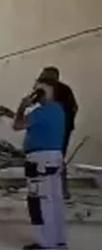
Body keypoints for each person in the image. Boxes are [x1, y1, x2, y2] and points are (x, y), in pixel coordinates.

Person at [0, 78, 66, 250]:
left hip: (39, 160)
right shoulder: (58, 110)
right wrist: (14, 113)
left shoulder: (42, 111)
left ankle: (45, 242)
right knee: (53, 199)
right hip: (54, 157)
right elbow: (27, 122)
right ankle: (57, 239)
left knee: (39, 201)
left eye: (37, 90)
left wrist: (22, 106)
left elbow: (18, 125)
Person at [38, 66, 78, 199]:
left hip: (61, 129)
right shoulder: (41, 90)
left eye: (46, 76)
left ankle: (63, 190)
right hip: (47, 129)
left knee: (58, 157)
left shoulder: (63, 90)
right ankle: (49, 188)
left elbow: (72, 108)